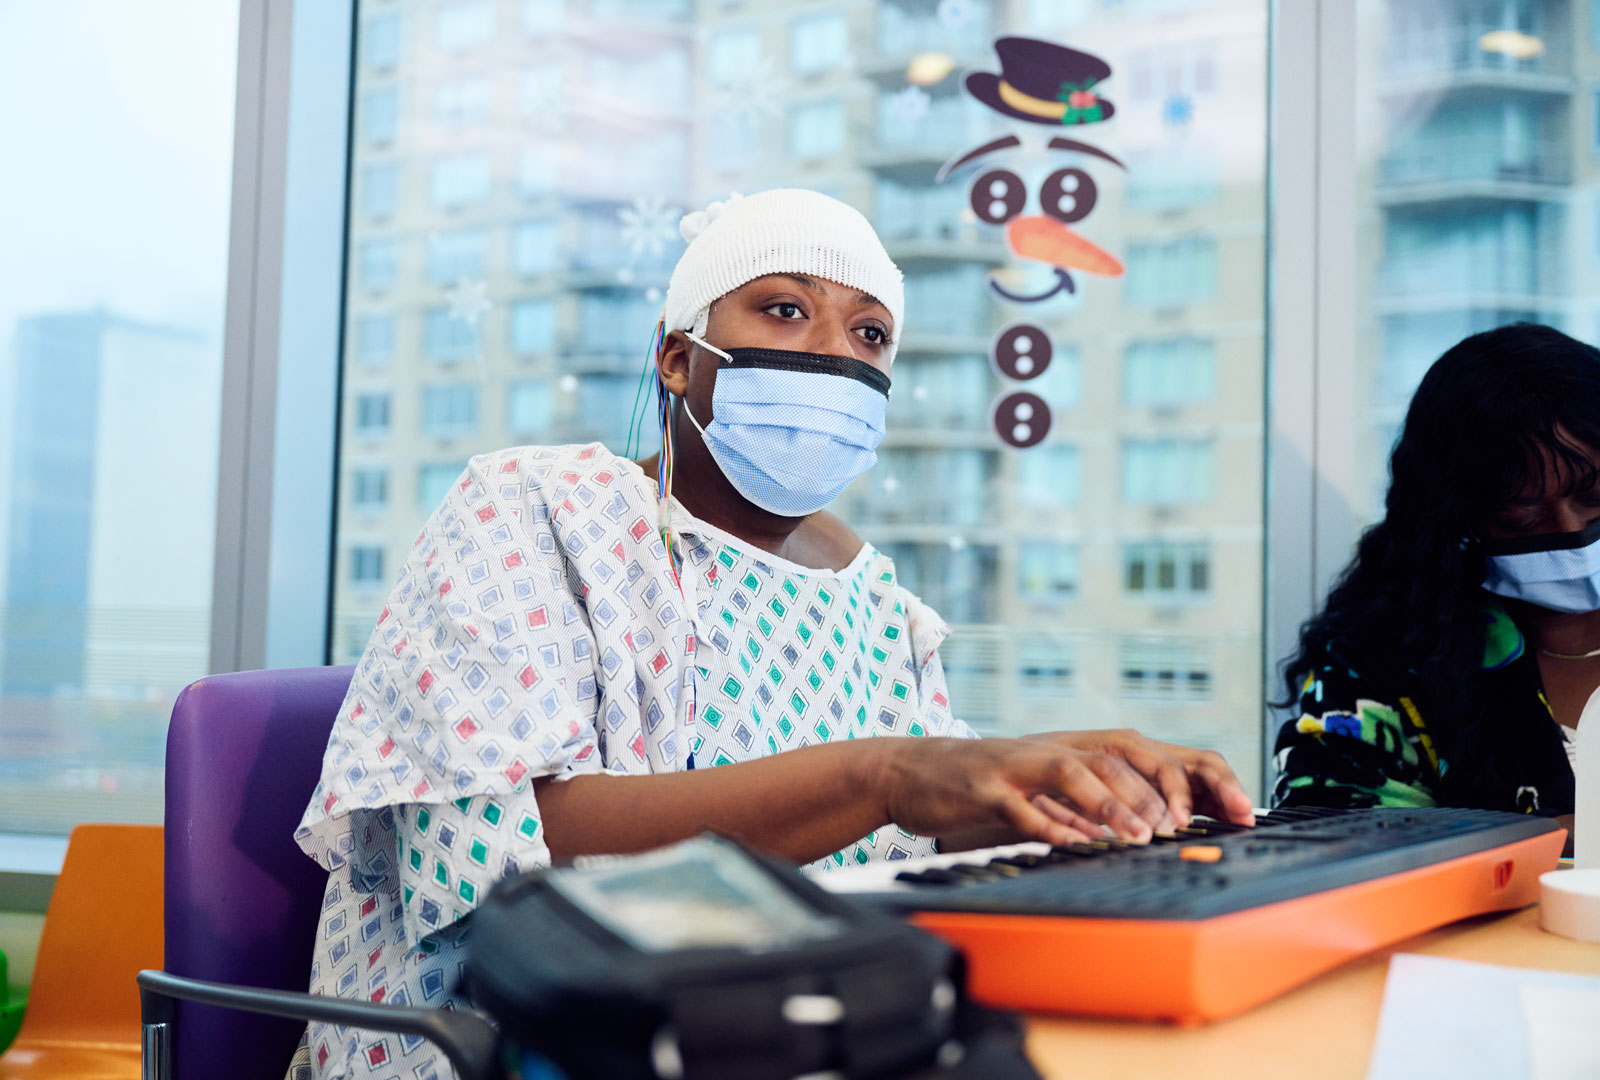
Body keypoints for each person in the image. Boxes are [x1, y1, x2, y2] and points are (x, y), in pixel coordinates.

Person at [290, 189, 1254, 1079]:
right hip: (506, 1037)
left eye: (869, 333)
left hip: (776, 1027)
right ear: (677, 355)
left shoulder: (874, 597)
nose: (832, 354)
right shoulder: (534, 509)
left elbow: (919, 817)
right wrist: (880, 773)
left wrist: (1059, 777)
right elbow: (509, 860)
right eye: (785, 309)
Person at [1273, 323, 1589, 849]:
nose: (1572, 532)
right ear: (1458, 521)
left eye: (1595, 497)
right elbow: (1329, 843)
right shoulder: (1380, 660)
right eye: (1522, 518)